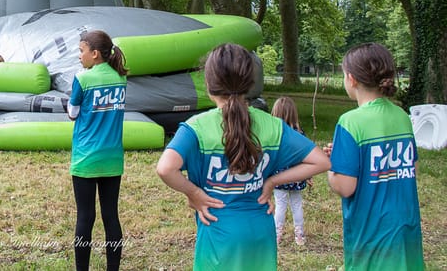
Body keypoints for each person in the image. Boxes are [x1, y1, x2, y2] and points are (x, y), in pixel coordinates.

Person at [156, 43, 330, 271]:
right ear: (250, 83)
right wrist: (272, 181)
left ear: (208, 84)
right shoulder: (273, 125)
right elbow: (322, 161)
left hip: (217, 232)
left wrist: (194, 193)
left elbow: (165, 169)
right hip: (260, 232)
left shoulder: (196, 127)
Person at [323, 43, 424, 271]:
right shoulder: (402, 116)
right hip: (406, 228)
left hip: (371, 233)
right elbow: (412, 169)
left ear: (352, 79)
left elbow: (345, 186)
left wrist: (332, 166)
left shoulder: (350, 122)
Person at [66, 30, 127, 271]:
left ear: (94, 54)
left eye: (81, 51)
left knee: (85, 217)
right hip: (112, 159)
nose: (79, 55)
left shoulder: (82, 79)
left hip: (86, 159)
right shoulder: (121, 78)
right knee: (111, 216)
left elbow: (73, 113)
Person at [270, 96, 310, 246]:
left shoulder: (274, 136)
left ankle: (276, 235)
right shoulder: (300, 135)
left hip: (280, 177)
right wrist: (308, 174)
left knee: (280, 205)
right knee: (297, 204)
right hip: (297, 176)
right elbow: (306, 157)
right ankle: (299, 236)